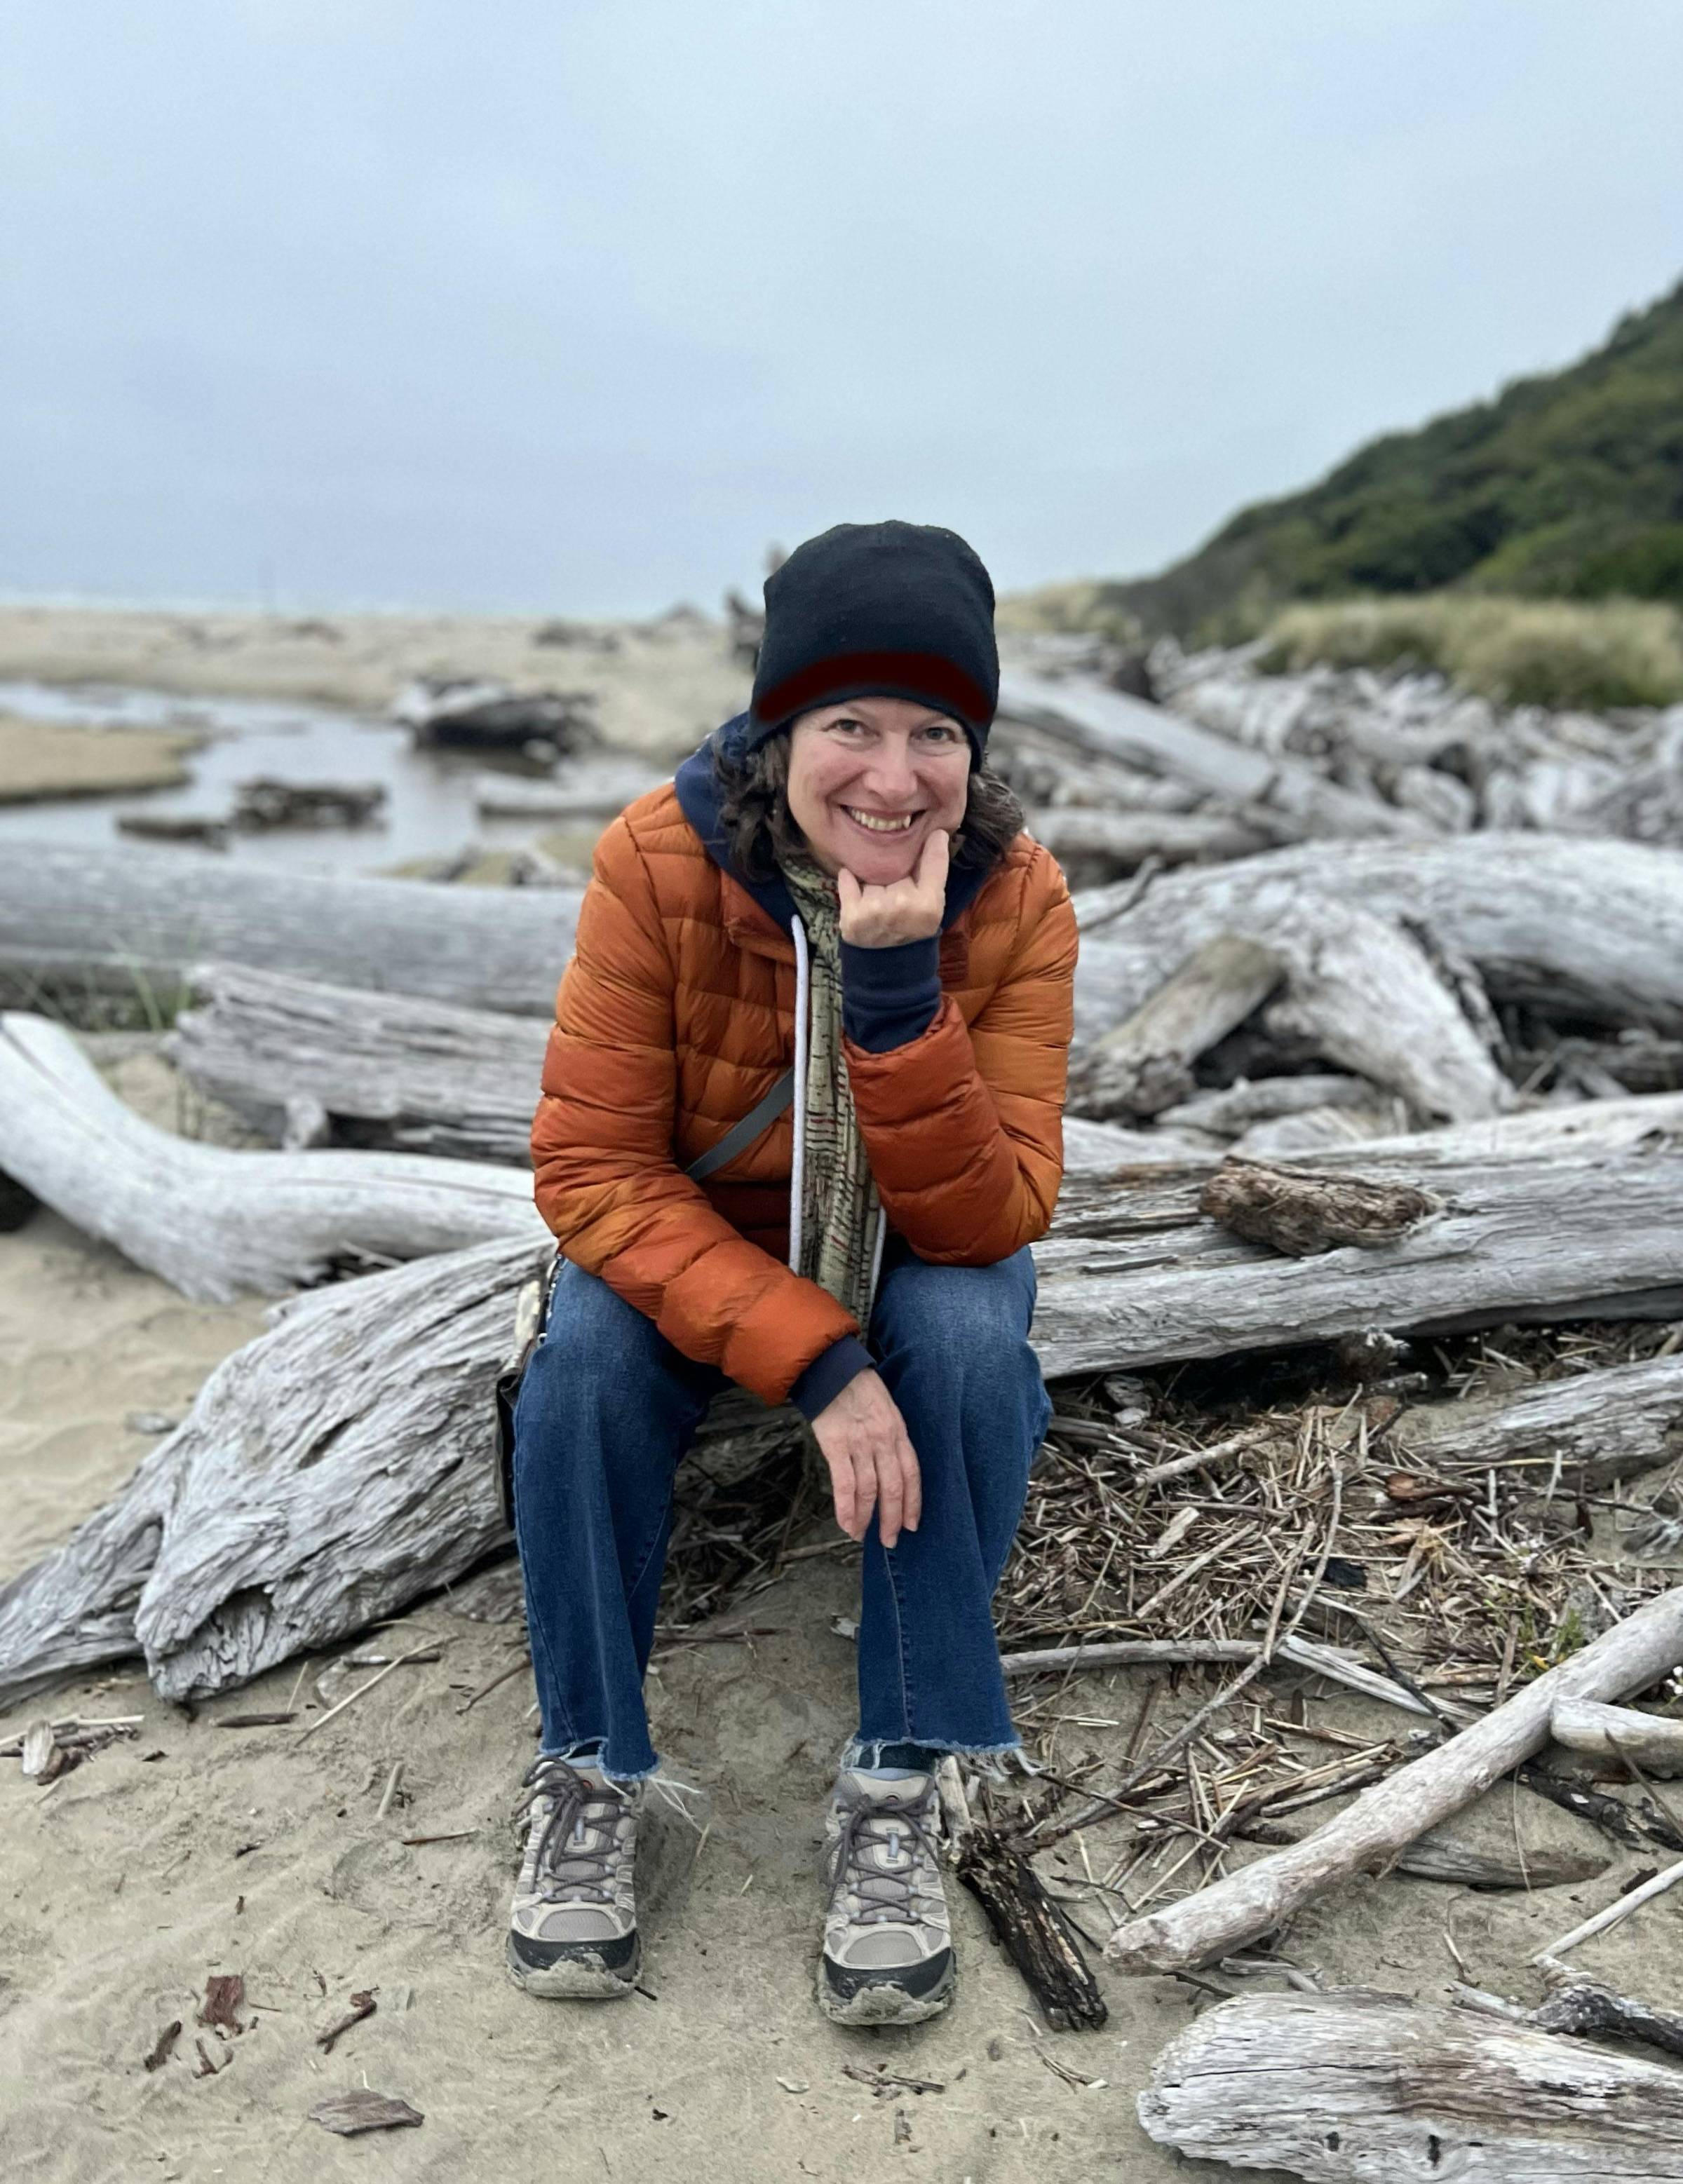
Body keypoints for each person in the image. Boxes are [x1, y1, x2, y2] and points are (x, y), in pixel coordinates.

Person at [507, 519, 1078, 2025]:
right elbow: (592, 1172)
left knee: (966, 1341)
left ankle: (895, 1771)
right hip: (698, 1236)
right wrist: (821, 1365)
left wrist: (897, 997)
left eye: (934, 733)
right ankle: (588, 1766)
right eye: (850, 725)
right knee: (576, 1369)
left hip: (912, 1234)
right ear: (780, 730)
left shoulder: (1015, 900)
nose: (893, 779)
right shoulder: (657, 859)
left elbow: (996, 1213)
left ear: (974, 752)